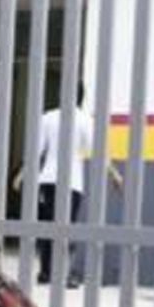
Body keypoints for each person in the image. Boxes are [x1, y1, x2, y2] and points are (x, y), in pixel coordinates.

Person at [23, 86, 121, 288]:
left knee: (48, 225)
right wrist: (114, 174)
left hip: (48, 179)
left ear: (62, 94)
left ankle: (46, 272)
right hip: (72, 182)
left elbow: (36, 150)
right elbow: (98, 151)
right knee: (67, 227)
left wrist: (22, 173)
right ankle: (64, 274)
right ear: (82, 97)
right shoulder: (85, 120)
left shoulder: (48, 117)